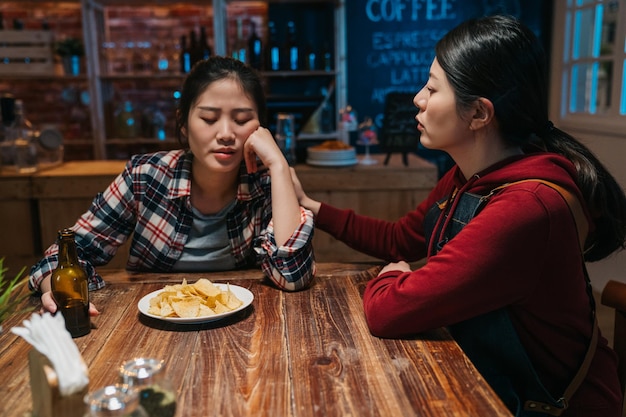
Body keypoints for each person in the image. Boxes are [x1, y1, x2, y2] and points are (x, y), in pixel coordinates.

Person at [291, 15, 626, 417]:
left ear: (480, 114)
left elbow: (387, 310)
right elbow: (400, 239)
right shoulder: (468, 176)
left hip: (553, 405)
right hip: (498, 385)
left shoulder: (527, 208)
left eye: (432, 88)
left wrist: (393, 277)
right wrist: (315, 209)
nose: (417, 98)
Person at [29, 56, 316, 314]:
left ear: (260, 129)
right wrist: (54, 288)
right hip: (148, 326)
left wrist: (279, 166)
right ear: (183, 124)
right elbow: (67, 252)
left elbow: (293, 277)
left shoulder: (267, 184)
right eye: (209, 118)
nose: (226, 134)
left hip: (245, 329)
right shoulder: (145, 176)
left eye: (241, 120)